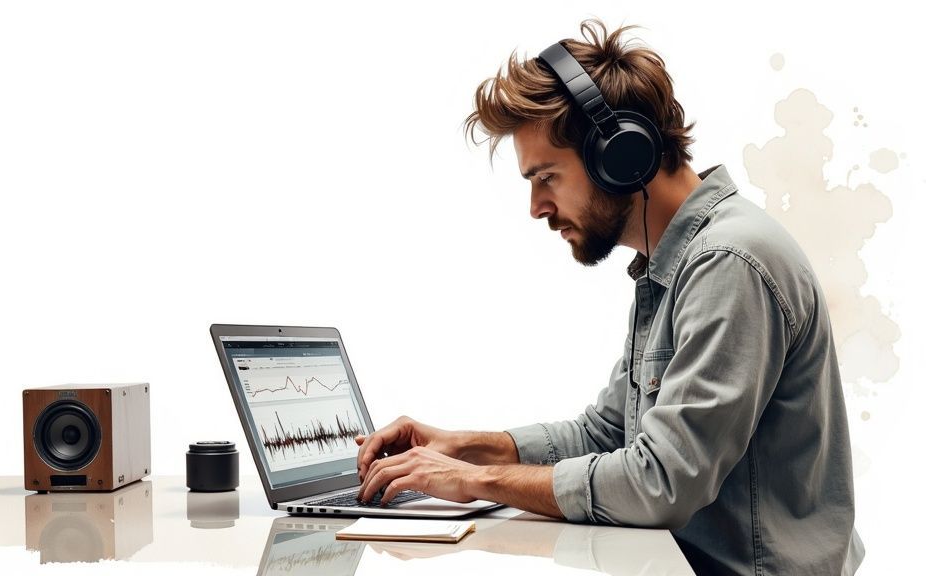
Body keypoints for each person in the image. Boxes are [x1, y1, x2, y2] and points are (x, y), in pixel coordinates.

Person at [353, 19, 864, 575]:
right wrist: (460, 447)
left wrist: (475, 481)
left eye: (546, 176)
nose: (536, 207)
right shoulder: (676, 263)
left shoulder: (727, 263)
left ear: (619, 156)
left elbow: (661, 482)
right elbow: (609, 432)